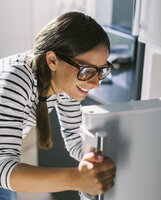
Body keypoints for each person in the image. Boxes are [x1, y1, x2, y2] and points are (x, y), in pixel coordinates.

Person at [0, 12, 116, 200]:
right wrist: (77, 179)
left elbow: (73, 139)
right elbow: (2, 167)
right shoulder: (17, 79)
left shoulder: (67, 84)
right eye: (87, 71)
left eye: (101, 70)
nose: (96, 84)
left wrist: (95, 161)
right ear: (53, 60)